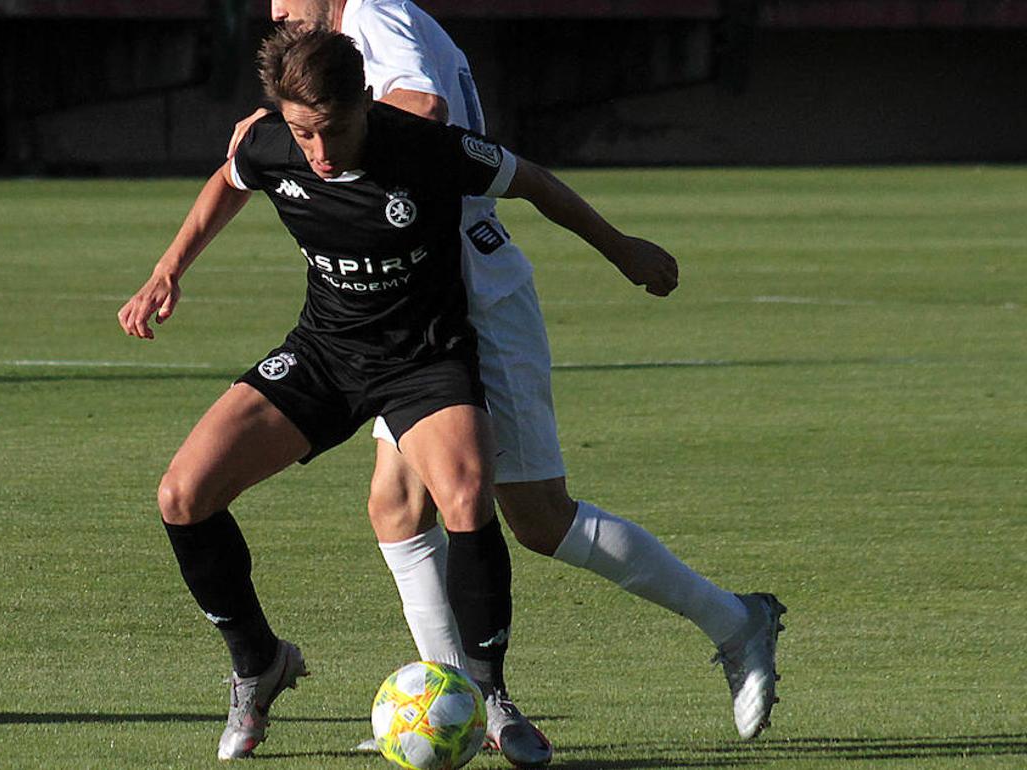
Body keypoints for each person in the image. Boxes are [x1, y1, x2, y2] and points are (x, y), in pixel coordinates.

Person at [230, 1, 788, 761]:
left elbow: (420, 104)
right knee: (397, 506)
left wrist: (314, 143)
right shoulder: (358, 26)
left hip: (469, 280)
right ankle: (454, 702)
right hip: (413, 292)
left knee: (537, 516)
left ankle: (735, 621)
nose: (278, 11)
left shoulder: (375, 13)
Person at [118, 26, 681, 761]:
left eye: (333, 130)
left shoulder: (426, 148)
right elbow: (231, 178)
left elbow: (535, 181)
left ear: (366, 105)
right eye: (302, 133)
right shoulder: (270, 142)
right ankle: (259, 664)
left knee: (468, 498)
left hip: (424, 359)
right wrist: (169, 268)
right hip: (324, 353)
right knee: (182, 495)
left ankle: (492, 698)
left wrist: (625, 250)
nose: (317, 151)